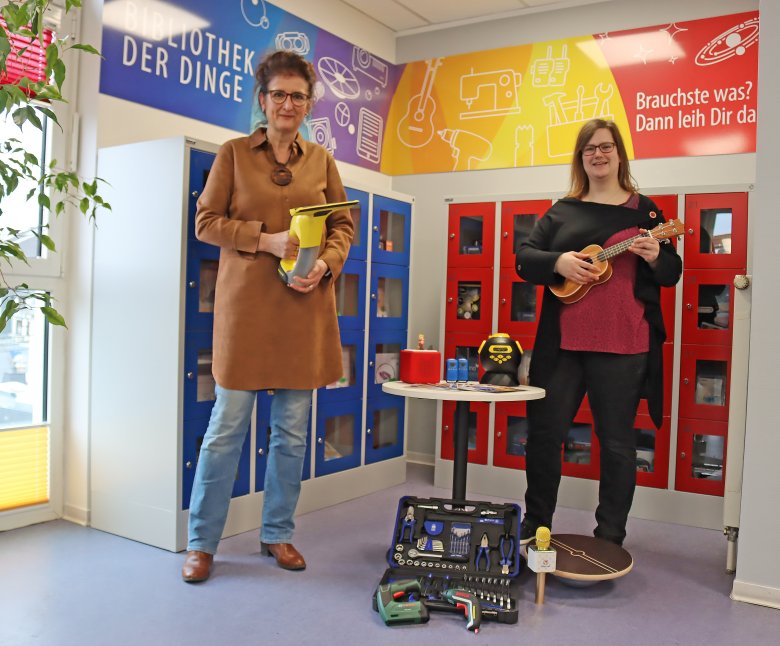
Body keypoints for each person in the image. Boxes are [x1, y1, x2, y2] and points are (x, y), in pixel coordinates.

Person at [181, 50, 354, 582]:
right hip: (247, 313)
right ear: (262, 100)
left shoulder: (322, 160)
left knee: (292, 434)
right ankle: (202, 542)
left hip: (304, 309)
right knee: (225, 430)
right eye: (278, 93)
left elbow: (343, 225)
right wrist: (264, 239)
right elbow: (205, 222)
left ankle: (277, 533)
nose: (287, 103)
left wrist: (325, 265)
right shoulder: (233, 154)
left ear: (308, 104)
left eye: (298, 96)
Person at [515, 118, 681, 546]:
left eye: (606, 147)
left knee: (618, 444)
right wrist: (559, 263)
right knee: (545, 436)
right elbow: (524, 258)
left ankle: (609, 538)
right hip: (563, 346)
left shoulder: (645, 211)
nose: (598, 155)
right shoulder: (562, 210)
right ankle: (535, 527)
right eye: (590, 149)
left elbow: (671, 274)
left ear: (619, 153)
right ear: (580, 158)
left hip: (624, 345)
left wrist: (653, 255)